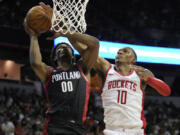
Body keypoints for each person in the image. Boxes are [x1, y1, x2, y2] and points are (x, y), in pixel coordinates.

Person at [24, 3, 99, 135]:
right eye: (59, 48)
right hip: (54, 127)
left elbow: (94, 44)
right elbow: (35, 63)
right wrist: (33, 36)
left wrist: (65, 31)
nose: (63, 48)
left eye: (67, 47)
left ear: (74, 57)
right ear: (55, 58)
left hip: (77, 128)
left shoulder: (82, 68)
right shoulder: (49, 73)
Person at [93, 47, 171, 135]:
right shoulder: (107, 70)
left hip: (135, 131)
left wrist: (149, 79)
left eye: (125, 51)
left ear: (133, 59)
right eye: (118, 52)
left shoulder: (141, 73)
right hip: (111, 130)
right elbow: (90, 51)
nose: (120, 53)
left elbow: (166, 91)